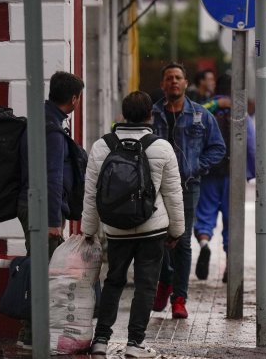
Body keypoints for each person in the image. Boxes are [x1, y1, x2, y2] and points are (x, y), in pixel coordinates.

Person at [82, 91, 185, 358]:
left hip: (116, 230)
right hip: (153, 228)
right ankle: (134, 344)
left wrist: (89, 230)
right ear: (150, 115)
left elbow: (92, 192)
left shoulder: (102, 146)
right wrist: (177, 231)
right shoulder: (162, 147)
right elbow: (174, 194)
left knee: (113, 281)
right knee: (146, 285)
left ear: (124, 114)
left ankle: (101, 340)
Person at [151, 63, 226, 319]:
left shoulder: (201, 115)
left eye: (178, 78)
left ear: (185, 84)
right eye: (169, 78)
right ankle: (164, 281)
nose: (174, 81)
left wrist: (197, 166)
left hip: (187, 187)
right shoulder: (152, 115)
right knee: (158, 240)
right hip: (156, 188)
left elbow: (218, 148)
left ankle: (179, 298)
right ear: (163, 84)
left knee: (182, 242)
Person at [16, 70, 84, 349]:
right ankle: (31, 336)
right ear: (74, 98)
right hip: (42, 208)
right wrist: (53, 220)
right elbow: (53, 176)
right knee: (46, 274)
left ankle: (31, 334)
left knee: (41, 269)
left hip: (28, 203)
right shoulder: (53, 131)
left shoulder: (39, 120)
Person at [194, 74, 255, 282]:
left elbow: (195, 124)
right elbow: (251, 143)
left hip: (209, 172)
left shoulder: (207, 109)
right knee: (233, 220)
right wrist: (253, 172)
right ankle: (230, 264)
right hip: (234, 174)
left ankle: (203, 244)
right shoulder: (240, 113)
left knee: (204, 215)